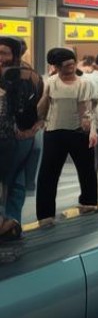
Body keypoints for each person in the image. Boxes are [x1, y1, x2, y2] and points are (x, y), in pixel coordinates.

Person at [35, 47, 98, 225]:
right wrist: (45, 95)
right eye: (66, 66)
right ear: (56, 67)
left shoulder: (84, 83)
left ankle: (89, 202)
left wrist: (89, 130)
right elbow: (41, 111)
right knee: (48, 173)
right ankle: (45, 214)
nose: (71, 68)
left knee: (87, 168)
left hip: (78, 131)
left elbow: (86, 108)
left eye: (72, 64)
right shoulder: (49, 82)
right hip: (54, 132)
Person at [0, 36, 43, 241]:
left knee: (15, 182)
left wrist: (30, 129)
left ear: (15, 55)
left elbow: (34, 106)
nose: (0, 58)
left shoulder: (25, 75)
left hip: (18, 139)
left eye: (4, 53)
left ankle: (12, 222)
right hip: (6, 139)